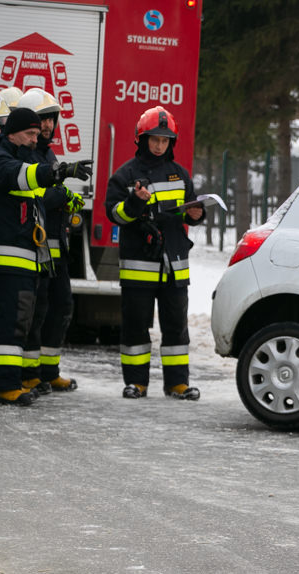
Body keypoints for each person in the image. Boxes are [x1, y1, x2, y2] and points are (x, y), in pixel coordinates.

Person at [105, 105, 204, 401]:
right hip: (139, 265)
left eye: (165, 140)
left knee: (176, 327)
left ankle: (177, 384)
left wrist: (196, 214)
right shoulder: (125, 175)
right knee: (136, 327)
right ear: (142, 138)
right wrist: (134, 202)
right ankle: (136, 383)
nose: (160, 145)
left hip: (174, 265)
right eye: (155, 139)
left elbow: (185, 213)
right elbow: (115, 215)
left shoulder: (179, 174)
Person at [0, 107, 91, 405]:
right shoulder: (4, 159)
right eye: (29, 133)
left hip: (24, 259)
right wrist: (58, 171)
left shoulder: (26, 158)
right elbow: (22, 177)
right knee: (10, 323)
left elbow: (40, 191)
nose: (34, 139)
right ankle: (7, 385)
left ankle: (10, 381)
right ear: (10, 132)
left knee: (19, 322)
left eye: (38, 134)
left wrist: (63, 193)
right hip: (8, 260)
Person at [16, 89, 85, 396]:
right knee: (37, 309)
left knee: (60, 306)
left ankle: (49, 370)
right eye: (42, 119)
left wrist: (66, 198)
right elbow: (39, 195)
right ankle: (29, 373)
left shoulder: (47, 153)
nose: (47, 126)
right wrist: (63, 195)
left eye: (51, 119)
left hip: (56, 247)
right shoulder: (26, 154)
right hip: (37, 246)